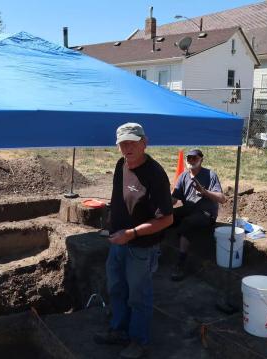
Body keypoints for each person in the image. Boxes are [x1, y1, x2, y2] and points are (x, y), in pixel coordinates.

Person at [94, 123, 174, 359]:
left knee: (138, 296)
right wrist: (111, 221)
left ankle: (139, 340)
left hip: (141, 247)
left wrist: (132, 233)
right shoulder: (121, 165)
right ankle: (119, 330)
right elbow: (118, 198)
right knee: (117, 289)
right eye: (122, 143)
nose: (127, 147)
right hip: (118, 242)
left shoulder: (155, 175)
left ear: (144, 142)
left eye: (132, 142)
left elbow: (167, 219)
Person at [170, 149, 226, 281]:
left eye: (194, 158)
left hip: (205, 213)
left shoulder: (210, 175)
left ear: (201, 160)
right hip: (189, 209)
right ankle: (154, 251)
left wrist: (204, 191)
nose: (191, 160)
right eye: (189, 158)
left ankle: (181, 263)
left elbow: (222, 198)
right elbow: (173, 200)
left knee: (187, 223)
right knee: (164, 216)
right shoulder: (183, 176)